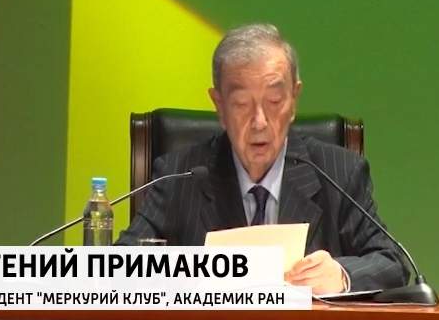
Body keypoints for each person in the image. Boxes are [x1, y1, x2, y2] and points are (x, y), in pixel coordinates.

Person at [117, 23, 408, 294]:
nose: (259, 122)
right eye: (242, 104)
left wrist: (342, 275)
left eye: (274, 102)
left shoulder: (338, 172)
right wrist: (189, 273)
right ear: (219, 105)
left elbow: (392, 262)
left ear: (293, 99)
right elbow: (120, 265)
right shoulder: (179, 176)